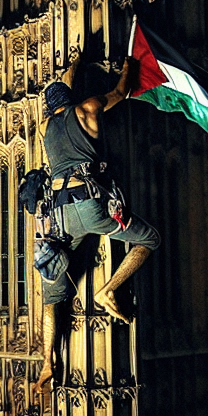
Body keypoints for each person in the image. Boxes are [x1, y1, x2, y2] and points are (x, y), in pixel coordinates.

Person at [36, 56, 160, 393]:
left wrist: (71, 68)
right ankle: (110, 289)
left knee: (52, 294)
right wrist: (126, 68)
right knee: (149, 239)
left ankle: (47, 361)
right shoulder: (88, 108)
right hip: (90, 205)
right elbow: (122, 91)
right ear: (72, 98)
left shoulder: (44, 127)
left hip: (57, 215)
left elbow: (57, 103)